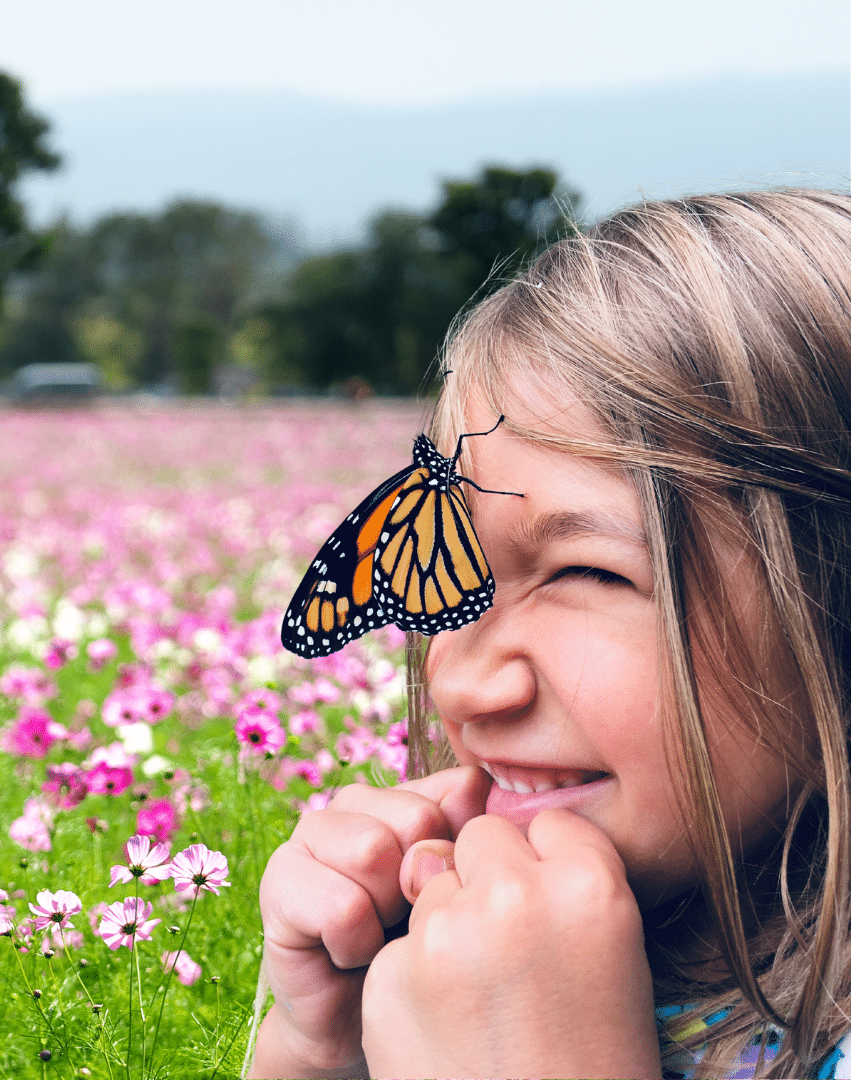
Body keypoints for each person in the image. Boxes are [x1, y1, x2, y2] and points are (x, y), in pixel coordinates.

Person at [248, 189, 851, 1079]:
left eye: (589, 573)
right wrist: (318, 1053)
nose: (459, 685)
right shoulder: (450, 965)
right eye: (458, 589)